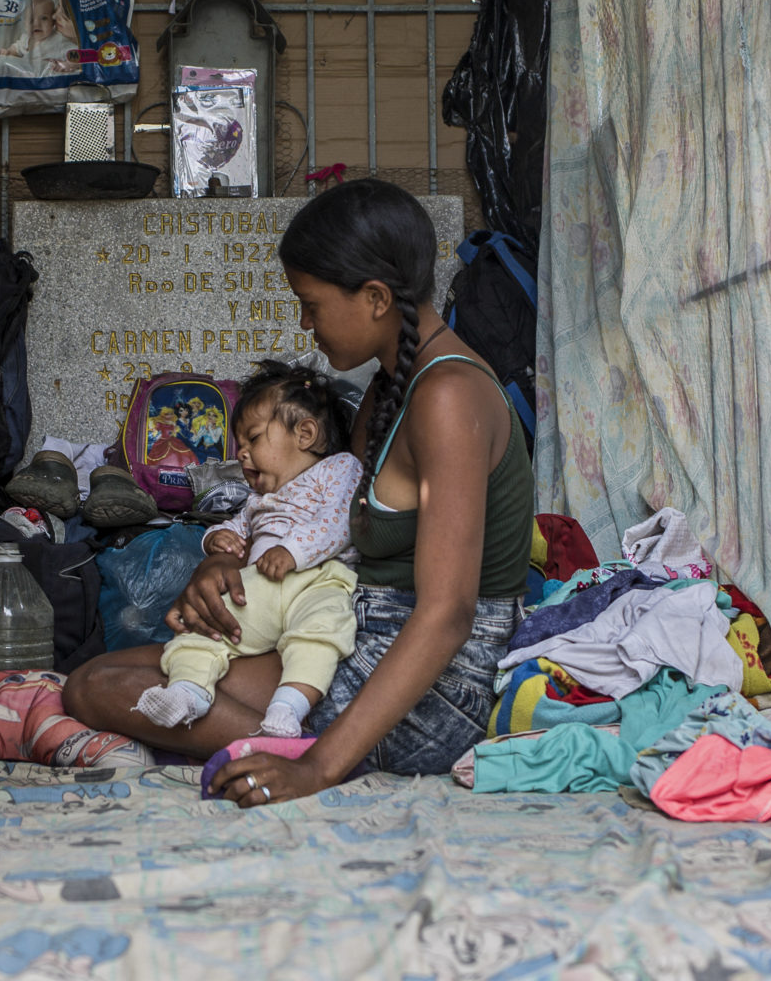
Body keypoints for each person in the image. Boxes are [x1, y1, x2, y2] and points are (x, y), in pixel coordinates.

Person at [62, 179, 535, 805]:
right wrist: (226, 562)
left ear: (375, 298)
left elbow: (448, 615)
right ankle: (288, 737)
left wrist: (318, 771)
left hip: (437, 687)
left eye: (311, 304)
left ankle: (309, 750)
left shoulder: (449, 396)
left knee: (103, 689)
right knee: (95, 679)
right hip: (346, 625)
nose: (304, 324)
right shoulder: (389, 388)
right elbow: (322, 520)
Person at [133, 360, 363, 739]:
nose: (241, 454)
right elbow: (236, 527)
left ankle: (288, 709)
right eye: (240, 446)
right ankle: (189, 692)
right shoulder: (259, 500)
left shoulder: (338, 469)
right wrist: (216, 539)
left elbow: (342, 520)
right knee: (201, 631)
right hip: (260, 587)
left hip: (319, 581)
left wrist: (292, 551)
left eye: (253, 439)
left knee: (321, 635)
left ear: (305, 434)